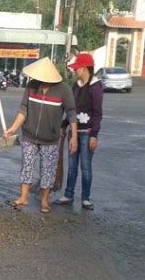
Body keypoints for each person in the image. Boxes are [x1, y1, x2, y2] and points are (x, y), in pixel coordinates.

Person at [3, 57, 78, 213]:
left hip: (50, 139)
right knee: (26, 166)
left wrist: (74, 136)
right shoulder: (31, 86)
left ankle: (45, 200)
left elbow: (71, 113)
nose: (40, 81)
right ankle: (23, 197)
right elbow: (24, 109)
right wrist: (13, 128)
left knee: (47, 170)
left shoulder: (64, 90)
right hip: (29, 135)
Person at [54, 54, 103, 210]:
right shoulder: (75, 87)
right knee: (72, 166)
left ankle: (86, 198)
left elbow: (97, 113)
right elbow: (71, 109)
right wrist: (64, 125)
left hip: (87, 133)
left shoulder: (95, 87)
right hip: (74, 132)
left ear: (85, 68)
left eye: (77, 68)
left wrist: (94, 136)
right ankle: (68, 194)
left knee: (86, 166)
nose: (75, 71)